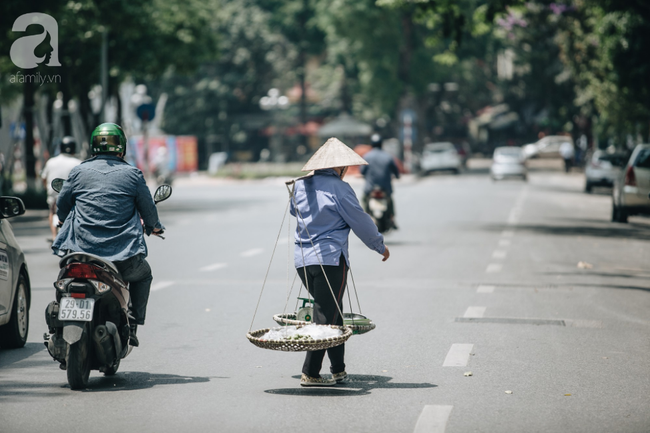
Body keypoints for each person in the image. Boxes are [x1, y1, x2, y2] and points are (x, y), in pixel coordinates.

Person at [52, 123, 164, 347]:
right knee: (144, 275)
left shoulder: (78, 172)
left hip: (79, 254)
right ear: (121, 148)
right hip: (121, 258)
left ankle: (57, 327)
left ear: (93, 147)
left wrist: (63, 219)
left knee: (63, 280)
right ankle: (132, 323)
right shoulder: (133, 174)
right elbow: (148, 210)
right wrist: (155, 227)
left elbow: (62, 206)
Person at [290, 137, 390, 387]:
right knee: (325, 317)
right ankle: (310, 373)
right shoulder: (340, 188)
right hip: (330, 260)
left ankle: (339, 370)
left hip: (302, 261)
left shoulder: (300, 185)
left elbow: (295, 211)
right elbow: (360, 220)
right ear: (340, 167)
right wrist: (379, 245)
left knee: (332, 313)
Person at [40, 136, 82, 243]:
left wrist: (47, 189)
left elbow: (43, 178)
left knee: (52, 212)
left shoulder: (51, 162)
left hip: (54, 195)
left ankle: (54, 235)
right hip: (72, 198)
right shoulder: (78, 163)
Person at [360, 133, 400, 229]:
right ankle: (392, 218)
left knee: (364, 199)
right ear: (381, 144)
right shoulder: (388, 156)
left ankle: (366, 217)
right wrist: (397, 176)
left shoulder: (367, 156)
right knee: (390, 201)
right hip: (385, 188)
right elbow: (396, 171)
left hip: (370, 189)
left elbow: (362, 171)